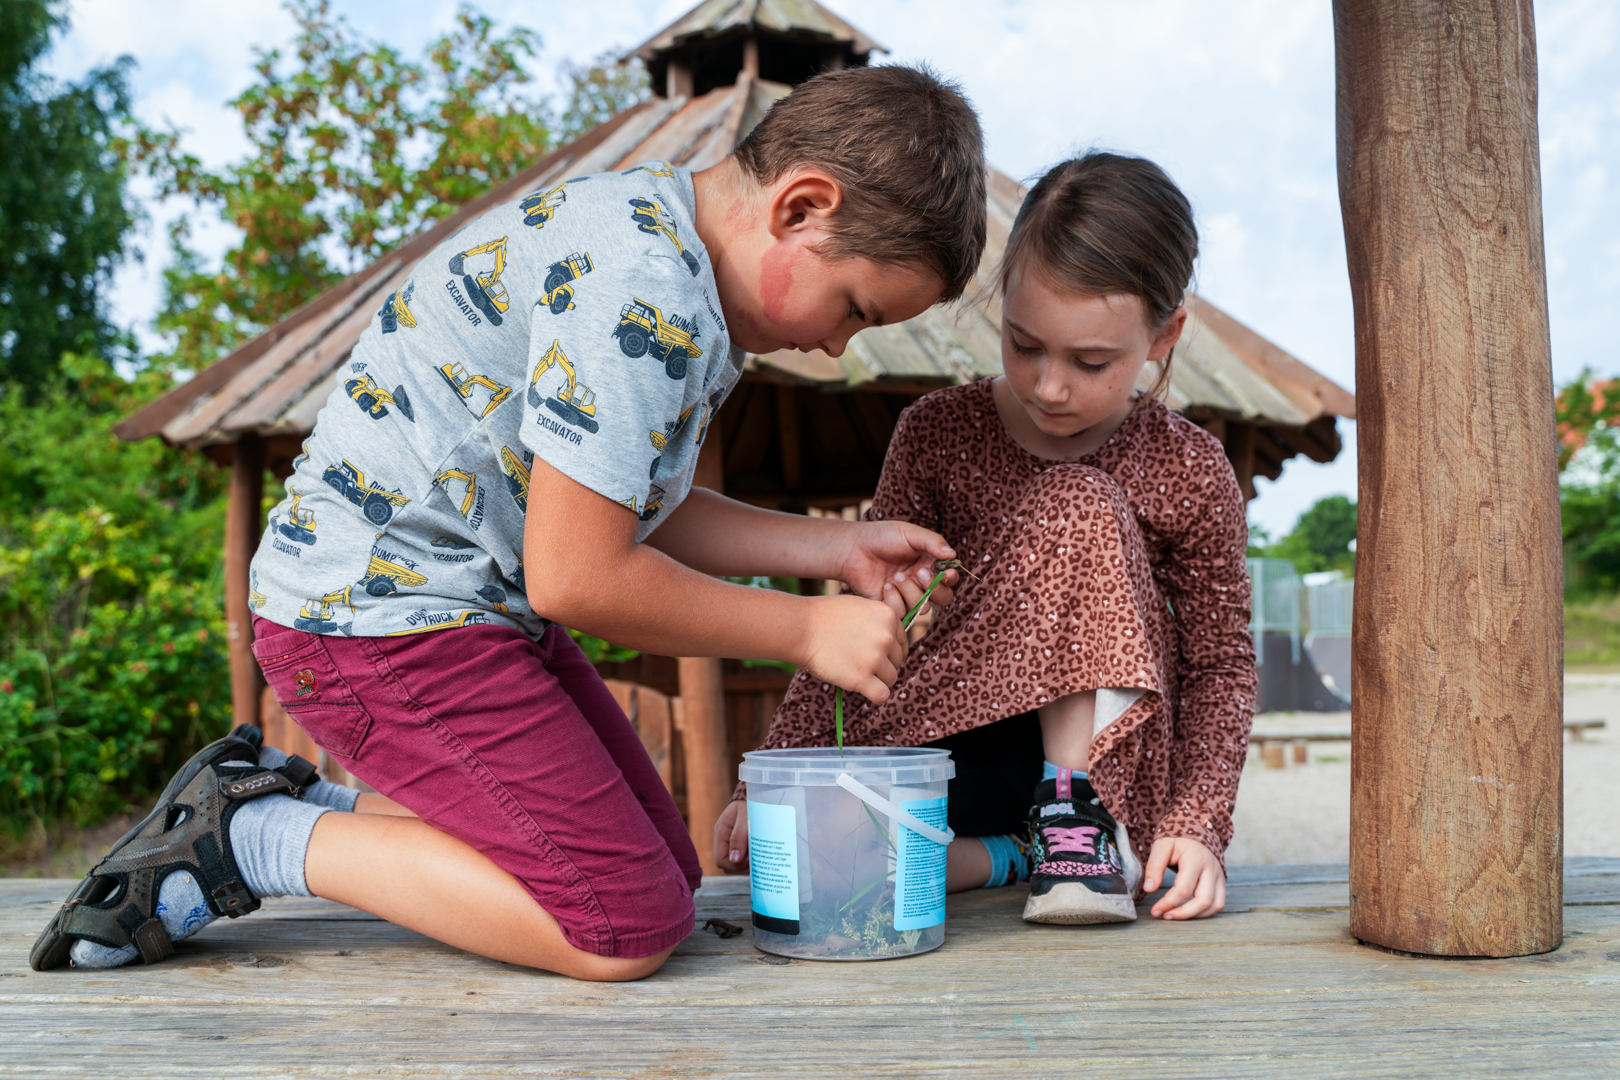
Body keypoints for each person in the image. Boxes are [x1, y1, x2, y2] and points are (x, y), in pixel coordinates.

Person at [30, 65, 985, 980]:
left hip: (467, 618)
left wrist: (833, 546)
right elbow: (579, 577)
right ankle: (249, 841)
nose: (833, 343)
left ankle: (291, 803)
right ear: (801, 206)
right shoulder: (643, 290)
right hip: (375, 624)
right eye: (854, 307)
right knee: (622, 924)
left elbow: (635, 507)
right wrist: (804, 629)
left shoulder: (666, 254)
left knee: (665, 867)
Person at [714, 152, 1258, 926]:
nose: (1049, 386)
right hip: (949, 746)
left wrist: (1196, 820)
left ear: (1165, 335)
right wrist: (762, 783)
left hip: (1108, 766)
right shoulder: (936, 432)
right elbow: (871, 610)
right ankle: (1021, 853)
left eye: (1091, 360)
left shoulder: (1189, 464)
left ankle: (1073, 821)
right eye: (1025, 343)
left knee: (1077, 501)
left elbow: (1220, 663)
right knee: (817, 859)